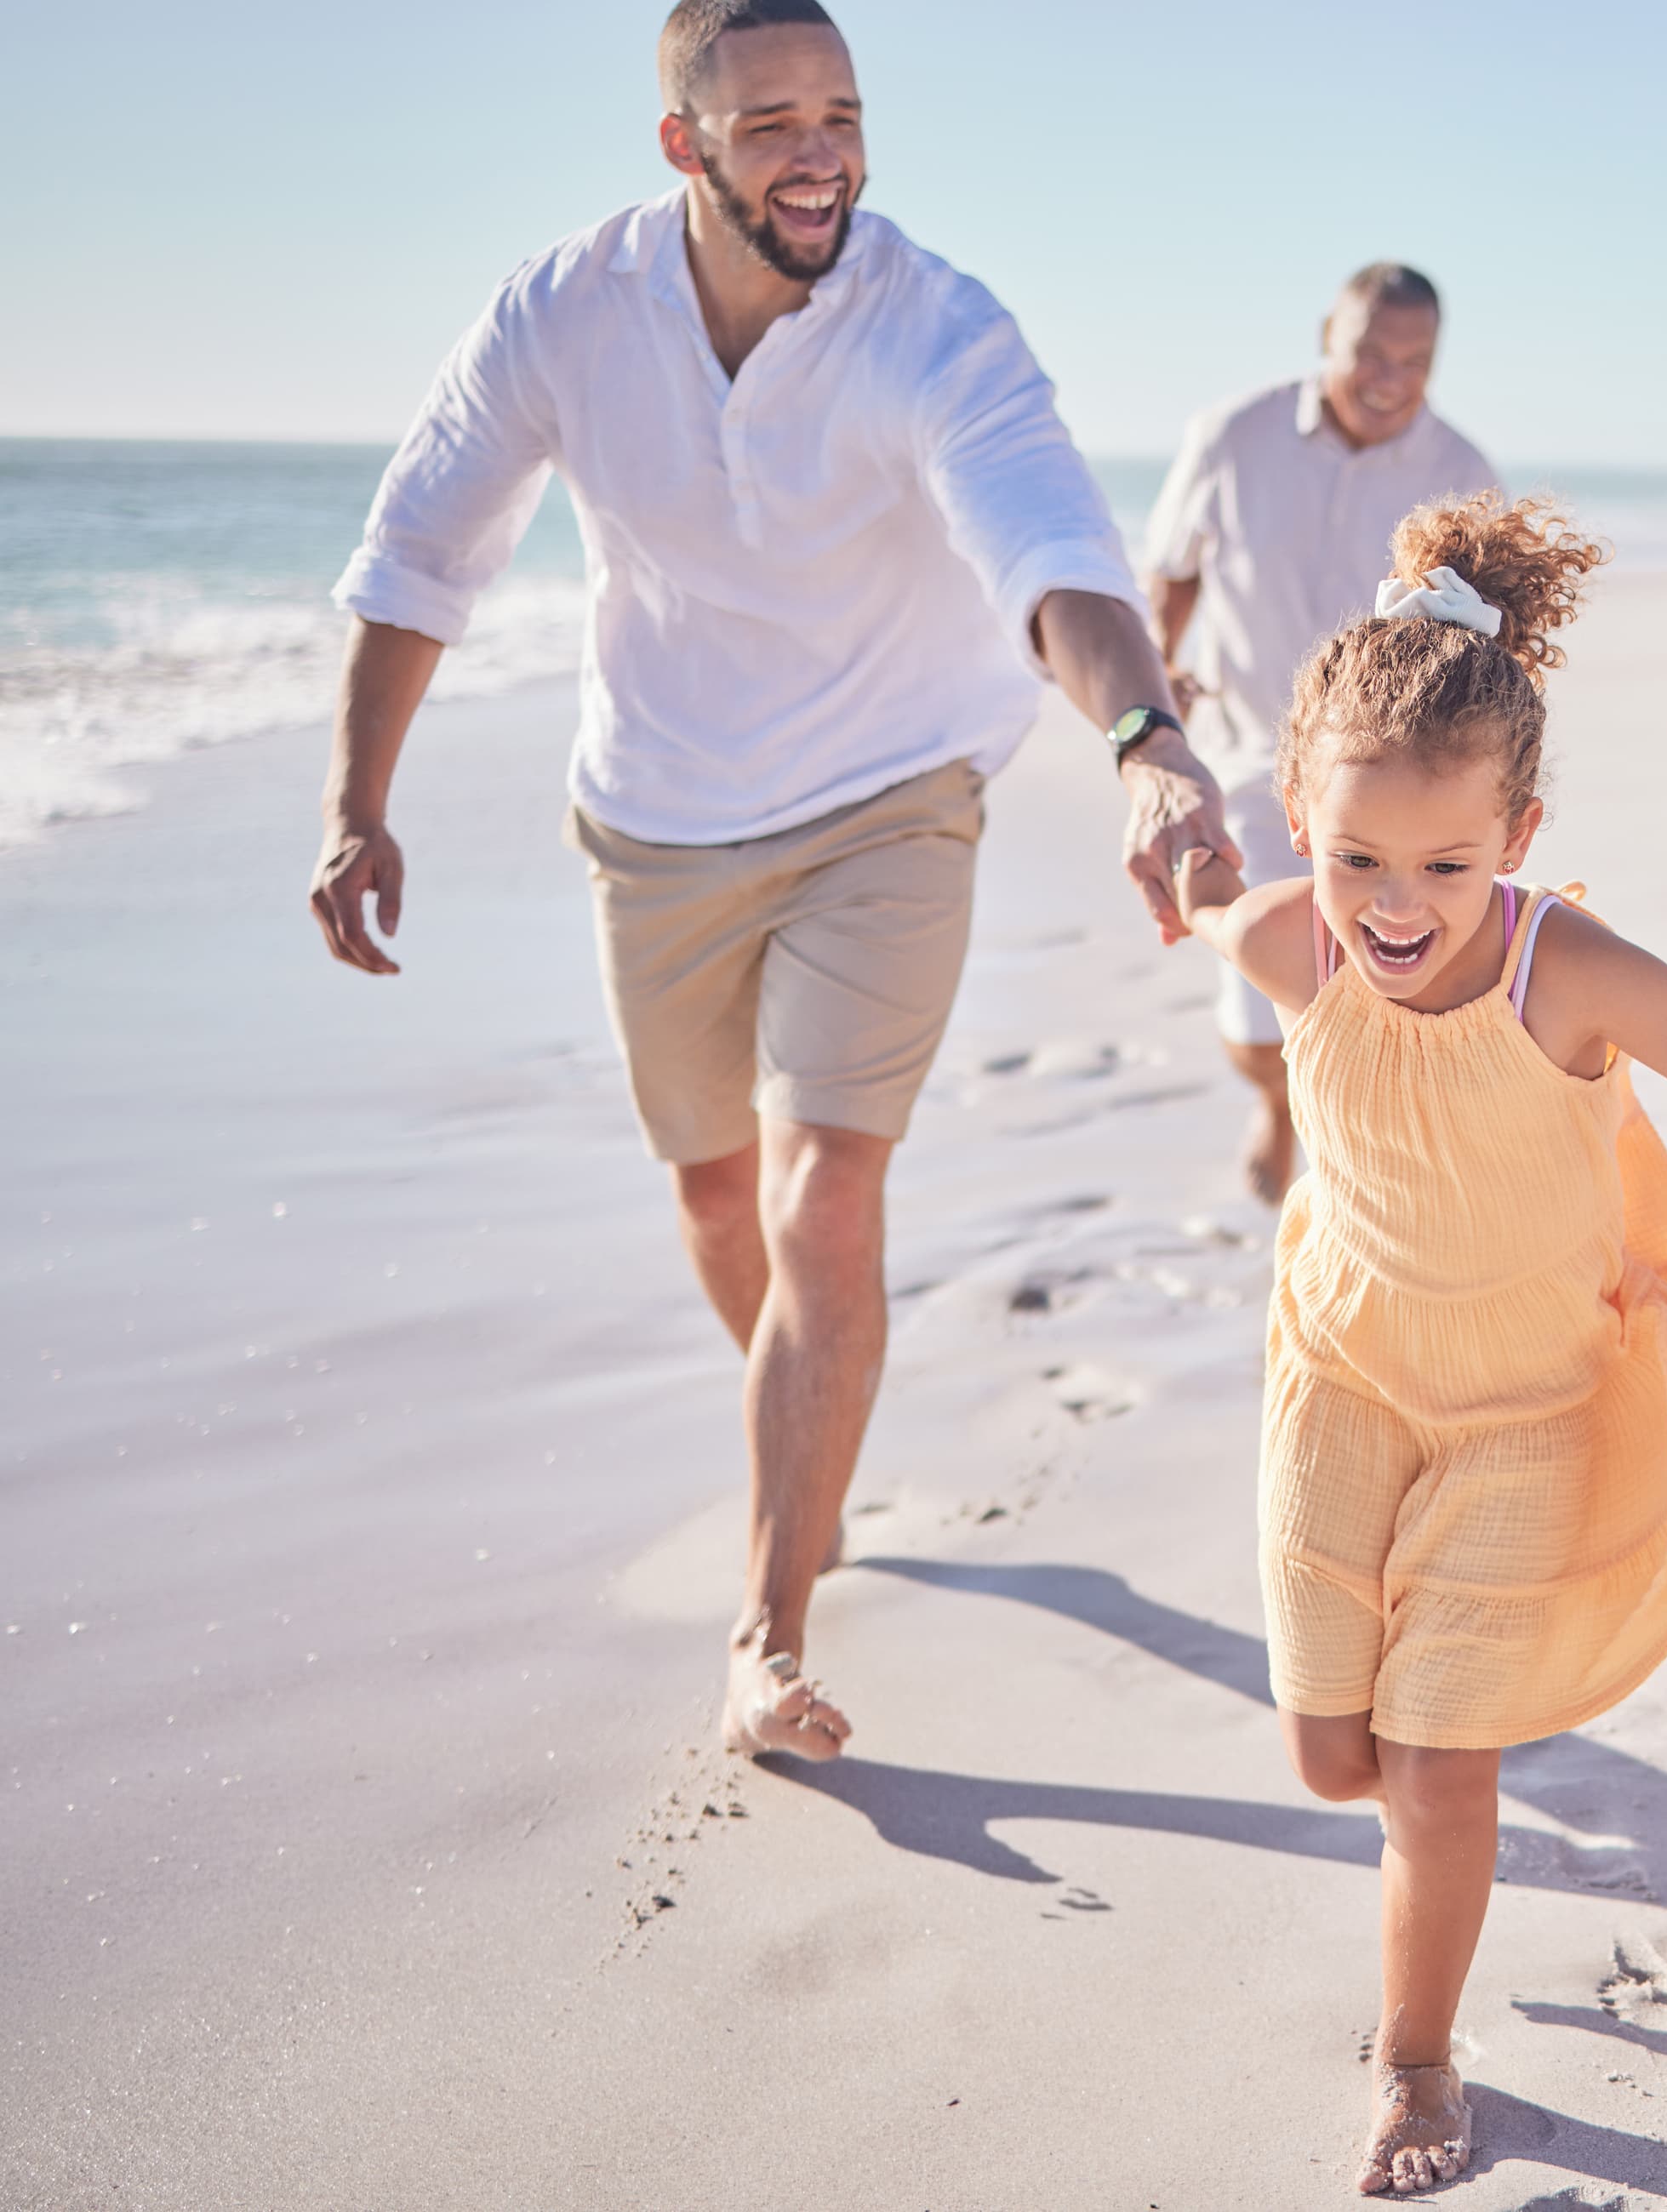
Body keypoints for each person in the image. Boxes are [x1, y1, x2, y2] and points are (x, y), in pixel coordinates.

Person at [306, 0, 1231, 1763]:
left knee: (823, 1200)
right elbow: (422, 550)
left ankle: (769, 1628)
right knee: (719, 1198)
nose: (821, 157)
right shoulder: (561, 313)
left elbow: (1049, 546)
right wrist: (358, 804)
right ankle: (812, 1439)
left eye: (843, 115)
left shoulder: (936, 325)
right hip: (657, 807)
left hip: (891, 792)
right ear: (684, 144)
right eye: (773, 124)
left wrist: (1146, 743)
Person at [1175, 494, 1667, 2197]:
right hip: (1343, 1378)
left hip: (1529, 1413)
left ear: (1518, 833)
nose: (1395, 908)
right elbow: (1201, 893)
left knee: (1435, 1766)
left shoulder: (1565, 972)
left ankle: (1416, 2057)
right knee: (1333, 1755)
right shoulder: (1288, 936)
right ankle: (1429, 1818)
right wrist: (1158, 799)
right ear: (1301, 814)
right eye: (1356, 859)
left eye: (1447, 866)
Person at [1144, 265, 1500, 1201]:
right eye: (1370, 355)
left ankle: (1359, 1179)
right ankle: (1276, 1101)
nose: (1390, 379)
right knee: (1256, 1003)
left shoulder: (1463, 471)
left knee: (1382, 982)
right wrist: (1157, 668)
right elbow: (1172, 569)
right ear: (1326, 338)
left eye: (1415, 361)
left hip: (1391, 784)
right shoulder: (1233, 436)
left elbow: (1493, 634)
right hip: (1248, 755)